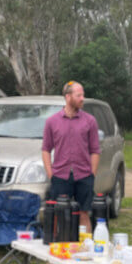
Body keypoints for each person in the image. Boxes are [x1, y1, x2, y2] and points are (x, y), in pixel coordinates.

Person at [42, 81, 100, 232]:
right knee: (57, 213)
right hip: (60, 175)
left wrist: (92, 174)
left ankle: (84, 248)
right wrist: (51, 173)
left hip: (84, 175)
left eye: (83, 95)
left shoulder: (90, 121)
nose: (82, 98)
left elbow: (95, 150)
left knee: (83, 213)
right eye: (79, 95)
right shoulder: (52, 122)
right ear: (68, 97)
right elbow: (46, 149)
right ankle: (55, 247)